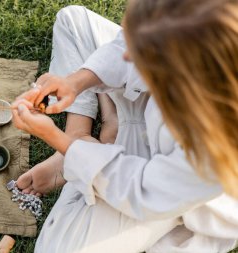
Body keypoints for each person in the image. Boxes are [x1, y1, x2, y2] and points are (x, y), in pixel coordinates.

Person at [12, 1, 238, 252]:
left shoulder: (213, 149)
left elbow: (142, 191)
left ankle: (83, 150)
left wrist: (56, 138)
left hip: (162, 192)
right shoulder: (200, 29)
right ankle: (83, 136)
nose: (128, 57)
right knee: (72, 20)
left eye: (141, 54)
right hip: (151, 105)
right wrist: (75, 82)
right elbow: (123, 48)